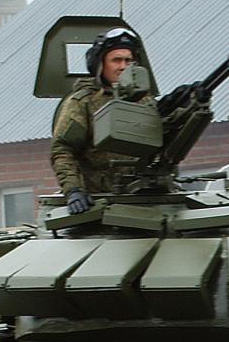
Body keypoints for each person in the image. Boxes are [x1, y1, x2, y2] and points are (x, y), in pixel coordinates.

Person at [49, 29, 160, 212]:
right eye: (116, 60)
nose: (123, 66)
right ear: (100, 64)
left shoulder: (146, 102)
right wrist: (73, 190)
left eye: (128, 61)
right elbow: (62, 150)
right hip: (99, 201)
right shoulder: (83, 102)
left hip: (143, 198)